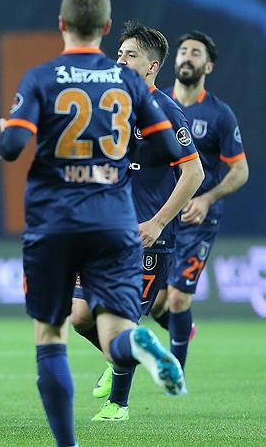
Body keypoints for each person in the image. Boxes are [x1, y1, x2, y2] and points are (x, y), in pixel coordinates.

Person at [0, 0, 186, 447]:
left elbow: (13, 146)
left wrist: (5, 136)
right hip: (115, 220)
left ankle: (68, 443)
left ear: (62, 24)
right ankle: (133, 344)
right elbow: (166, 147)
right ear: (104, 28)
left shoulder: (42, 77)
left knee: (51, 335)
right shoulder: (129, 85)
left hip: (57, 220)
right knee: (112, 326)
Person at [69, 21, 204, 421]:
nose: (121, 60)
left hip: (147, 237)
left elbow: (193, 173)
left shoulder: (165, 111)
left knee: (120, 318)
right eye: (119, 53)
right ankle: (123, 356)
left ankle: (118, 405)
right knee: (79, 316)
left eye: (131, 55)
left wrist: (159, 222)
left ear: (152, 66)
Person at [155, 30, 248, 372]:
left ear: (208, 66)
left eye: (195, 53)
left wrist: (207, 199)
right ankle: (182, 329)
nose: (186, 57)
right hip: (162, 215)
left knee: (179, 297)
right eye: (183, 51)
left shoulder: (219, 114)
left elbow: (240, 170)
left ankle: (175, 376)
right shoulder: (157, 104)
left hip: (198, 220)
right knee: (156, 303)